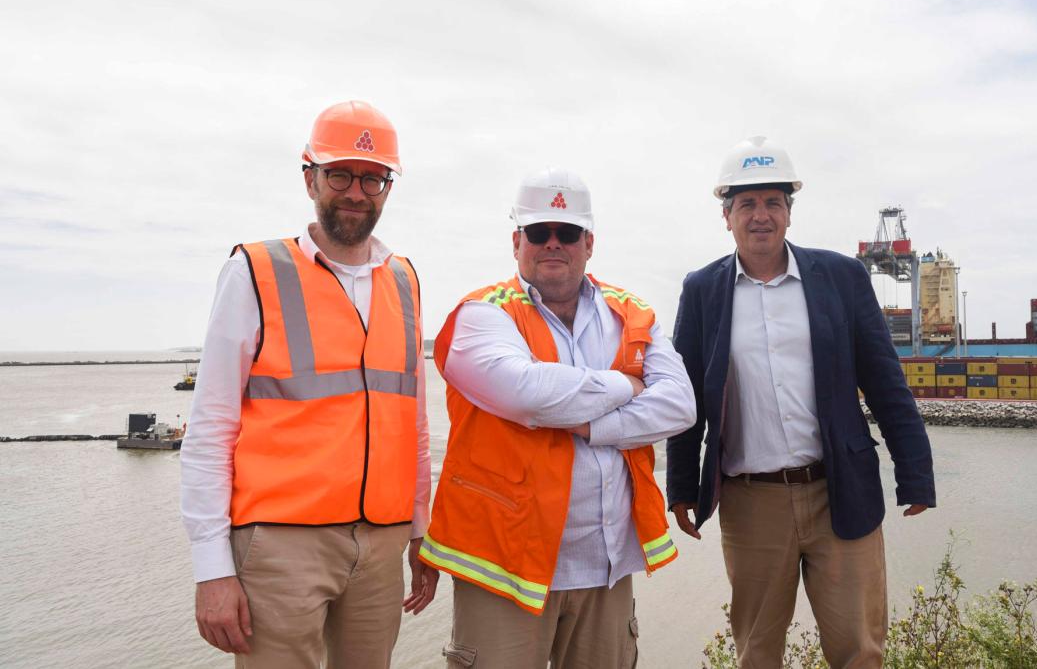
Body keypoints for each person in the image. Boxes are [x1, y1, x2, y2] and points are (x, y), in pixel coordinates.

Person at [180, 100, 438, 669]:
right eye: (340, 174)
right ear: (309, 178)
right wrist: (212, 569)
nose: (355, 191)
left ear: (387, 187)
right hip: (279, 545)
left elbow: (412, 422)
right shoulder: (255, 271)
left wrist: (422, 531)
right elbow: (210, 428)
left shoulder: (405, 281)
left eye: (372, 178)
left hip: (382, 543)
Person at [666, 136, 935, 667]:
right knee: (758, 653)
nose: (761, 215)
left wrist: (916, 472)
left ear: (789, 211)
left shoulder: (841, 277)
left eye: (773, 202)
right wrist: (680, 486)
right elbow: (687, 397)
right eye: (747, 204)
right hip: (750, 502)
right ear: (727, 215)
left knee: (859, 650)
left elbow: (885, 383)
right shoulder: (702, 290)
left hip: (840, 493)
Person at [419, 169, 696, 668]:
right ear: (515, 241)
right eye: (538, 232)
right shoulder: (483, 314)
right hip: (501, 568)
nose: (552, 244)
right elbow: (528, 395)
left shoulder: (630, 314)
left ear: (588, 243)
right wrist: (626, 386)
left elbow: (679, 404)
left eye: (566, 233)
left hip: (604, 568)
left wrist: (593, 425)